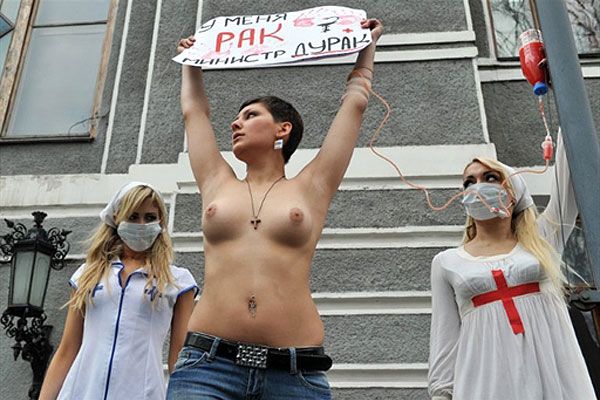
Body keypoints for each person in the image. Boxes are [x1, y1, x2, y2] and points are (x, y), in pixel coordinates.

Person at [166, 19, 383, 400]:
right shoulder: (217, 179)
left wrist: (367, 45)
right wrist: (191, 62)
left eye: (250, 115)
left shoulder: (312, 186)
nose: (236, 123)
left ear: (283, 129)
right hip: (207, 367)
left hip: (293, 374)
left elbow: (355, 103)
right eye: (237, 117)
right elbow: (194, 113)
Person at [427, 132, 596, 400]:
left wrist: (563, 110)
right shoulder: (447, 262)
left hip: (552, 376)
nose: (478, 187)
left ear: (513, 192)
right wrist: (442, 394)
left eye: (490, 178)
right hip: (487, 383)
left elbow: (570, 172)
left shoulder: (542, 239)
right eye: (469, 182)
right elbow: (444, 340)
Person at [39, 182, 198, 400]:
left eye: (150, 217)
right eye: (133, 217)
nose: (141, 224)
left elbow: (179, 358)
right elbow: (67, 350)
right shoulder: (88, 274)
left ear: (160, 221)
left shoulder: (177, 281)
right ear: (117, 218)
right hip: (81, 393)